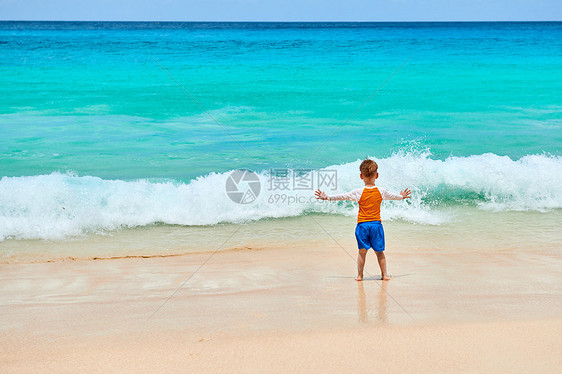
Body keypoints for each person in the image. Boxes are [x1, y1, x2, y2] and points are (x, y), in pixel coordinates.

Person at [315, 159, 411, 281]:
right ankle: (384, 275)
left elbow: (343, 196)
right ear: (377, 175)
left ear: (361, 176)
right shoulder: (381, 191)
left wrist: (327, 197)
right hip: (376, 226)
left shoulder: (358, 192)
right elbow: (394, 197)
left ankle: (360, 275)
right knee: (380, 252)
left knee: (362, 252)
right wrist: (402, 196)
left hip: (362, 226)